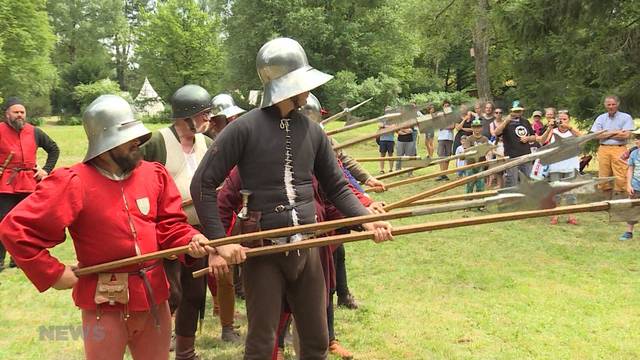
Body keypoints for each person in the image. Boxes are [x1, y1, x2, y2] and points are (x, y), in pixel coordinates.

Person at [190, 37, 393, 360]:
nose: (308, 92)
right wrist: (220, 242)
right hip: (263, 249)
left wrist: (368, 220)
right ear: (286, 84)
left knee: (315, 338)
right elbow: (203, 184)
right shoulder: (244, 129)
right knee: (262, 340)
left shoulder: (313, 132)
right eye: (303, 83)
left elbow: (338, 186)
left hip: (308, 248)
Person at [0, 94, 243, 360]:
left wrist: (190, 239)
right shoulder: (74, 181)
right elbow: (15, 229)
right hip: (103, 305)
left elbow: (170, 225)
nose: (137, 143)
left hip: (153, 301)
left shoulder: (153, 175)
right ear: (106, 143)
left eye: (137, 137)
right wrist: (53, 273)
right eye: (129, 139)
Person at [141, 84, 237, 358]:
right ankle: (154, 344)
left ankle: (186, 352)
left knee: (194, 293)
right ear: (185, 117)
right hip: (165, 230)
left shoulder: (207, 144)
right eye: (203, 114)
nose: (209, 119)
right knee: (169, 293)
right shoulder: (156, 143)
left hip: (200, 231)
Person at [0, 97, 60, 271]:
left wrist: (46, 171)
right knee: (3, 221)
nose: (19, 115)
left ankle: (18, 260)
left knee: (25, 223)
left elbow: (54, 149)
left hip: (28, 183)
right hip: (5, 184)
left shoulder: (34, 131)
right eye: (15, 112)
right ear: (7, 114)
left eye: (22, 112)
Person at [494, 101, 550, 187]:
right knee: (513, 181)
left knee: (531, 178)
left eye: (519, 111)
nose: (517, 113)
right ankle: (512, 198)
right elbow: (496, 133)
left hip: (525, 155)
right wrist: (506, 121)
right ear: (511, 111)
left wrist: (527, 138)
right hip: (511, 156)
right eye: (515, 111)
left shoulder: (525, 121)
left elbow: (534, 136)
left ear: (522, 111)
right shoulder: (505, 122)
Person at [590, 95, 634, 195]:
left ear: (618, 104)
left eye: (613, 104)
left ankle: (622, 199)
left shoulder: (626, 117)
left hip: (619, 149)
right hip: (603, 149)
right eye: (608, 104)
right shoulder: (601, 118)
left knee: (621, 175)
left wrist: (605, 134)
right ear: (605, 105)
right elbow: (596, 135)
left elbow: (626, 135)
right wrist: (616, 132)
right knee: (604, 176)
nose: (611, 106)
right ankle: (606, 202)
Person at [544, 110, 581, 225]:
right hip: (555, 165)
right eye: (560, 119)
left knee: (571, 192)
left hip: (571, 166)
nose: (562, 121)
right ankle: (555, 215)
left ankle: (571, 216)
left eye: (565, 119)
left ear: (569, 120)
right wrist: (549, 128)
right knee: (556, 192)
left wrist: (569, 127)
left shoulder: (572, 132)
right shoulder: (553, 131)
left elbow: (583, 138)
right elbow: (543, 141)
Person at [620, 129, 640, 240]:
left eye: (639, 138)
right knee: (632, 208)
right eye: (636, 138)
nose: (637, 141)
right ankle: (629, 232)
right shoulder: (634, 153)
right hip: (636, 185)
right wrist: (629, 185)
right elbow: (630, 170)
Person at [464, 118, 489, 193]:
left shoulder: (484, 139)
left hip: (481, 164)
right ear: (472, 128)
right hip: (471, 164)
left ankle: (480, 201)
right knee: (470, 184)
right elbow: (467, 150)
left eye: (478, 127)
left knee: (480, 184)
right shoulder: (469, 139)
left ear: (481, 128)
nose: (477, 129)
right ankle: (469, 200)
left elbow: (487, 151)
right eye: (474, 127)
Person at [436, 100, 455, 181]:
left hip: (449, 138)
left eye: (448, 105)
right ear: (443, 107)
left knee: (447, 156)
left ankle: (445, 173)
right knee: (441, 155)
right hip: (441, 138)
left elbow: (452, 126)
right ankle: (441, 173)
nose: (446, 107)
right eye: (445, 106)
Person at [378, 108, 396, 174]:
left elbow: (394, 127)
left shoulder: (393, 120)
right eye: (386, 111)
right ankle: (382, 169)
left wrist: (384, 126)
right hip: (382, 139)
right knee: (382, 155)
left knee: (390, 154)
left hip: (390, 140)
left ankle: (391, 169)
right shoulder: (382, 119)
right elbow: (379, 125)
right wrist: (388, 127)